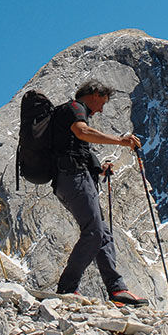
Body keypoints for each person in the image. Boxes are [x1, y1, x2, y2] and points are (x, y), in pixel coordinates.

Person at [50, 80, 149, 306]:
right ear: (94, 94)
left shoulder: (72, 112)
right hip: (72, 177)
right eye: (102, 103)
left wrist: (100, 169)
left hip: (73, 178)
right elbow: (82, 132)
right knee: (94, 232)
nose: (101, 109)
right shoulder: (75, 108)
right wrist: (121, 142)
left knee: (103, 233)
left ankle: (117, 290)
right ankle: (67, 288)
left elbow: (75, 147)